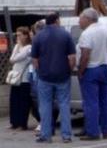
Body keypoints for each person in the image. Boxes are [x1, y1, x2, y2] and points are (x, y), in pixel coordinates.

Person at [31, 12, 76, 144]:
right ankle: (66, 135)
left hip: (45, 77)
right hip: (63, 76)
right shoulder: (66, 35)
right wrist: (69, 69)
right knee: (64, 105)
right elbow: (72, 58)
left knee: (45, 105)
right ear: (57, 21)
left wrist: (39, 71)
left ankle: (46, 135)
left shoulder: (38, 37)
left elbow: (34, 59)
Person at [76, 9, 107, 141]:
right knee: (105, 102)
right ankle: (106, 131)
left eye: (81, 18)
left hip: (91, 69)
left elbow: (85, 54)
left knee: (91, 103)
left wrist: (80, 71)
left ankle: (93, 132)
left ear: (88, 19)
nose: (79, 21)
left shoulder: (87, 33)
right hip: (105, 67)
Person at [8, 27, 33, 131]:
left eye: (20, 35)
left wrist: (18, 48)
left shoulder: (28, 48)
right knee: (14, 100)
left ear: (26, 35)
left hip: (24, 78)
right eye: (17, 35)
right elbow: (11, 59)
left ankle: (23, 123)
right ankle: (14, 122)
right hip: (16, 76)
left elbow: (17, 58)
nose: (18, 37)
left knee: (23, 102)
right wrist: (17, 46)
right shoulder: (17, 47)